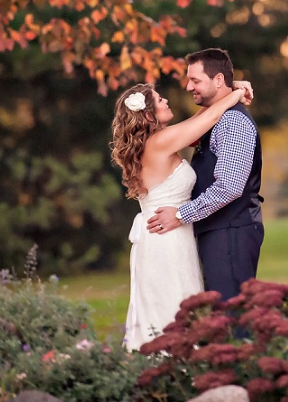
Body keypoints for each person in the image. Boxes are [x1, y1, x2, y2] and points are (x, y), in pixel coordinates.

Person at [110, 80, 250, 351]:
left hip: (165, 235)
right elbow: (210, 116)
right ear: (149, 114)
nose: (166, 101)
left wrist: (231, 89)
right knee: (174, 307)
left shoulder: (155, 141)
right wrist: (239, 92)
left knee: (176, 307)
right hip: (166, 239)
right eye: (159, 100)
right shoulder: (160, 142)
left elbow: (201, 117)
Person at [146, 48, 265, 303]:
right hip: (217, 230)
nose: (189, 87)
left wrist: (180, 214)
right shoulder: (216, 118)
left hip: (231, 232)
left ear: (219, 80)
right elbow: (195, 126)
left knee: (232, 313)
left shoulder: (232, 122)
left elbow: (229, 187)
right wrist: (236, 91)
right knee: (220, 313)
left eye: (195, 80)